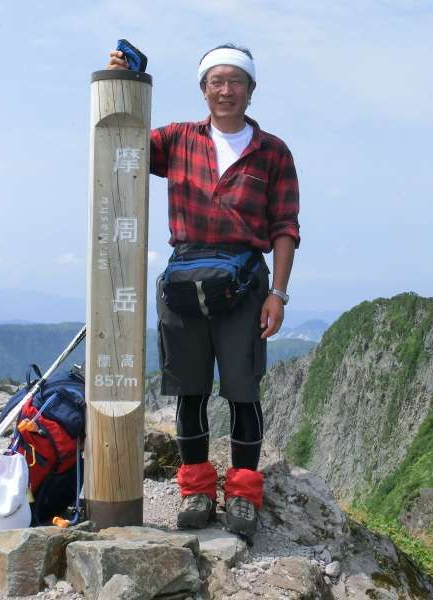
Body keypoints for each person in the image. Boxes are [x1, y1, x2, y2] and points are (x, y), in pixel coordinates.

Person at [106, 43, 300, 539]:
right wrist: (122, 83)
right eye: (217, 81)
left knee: (242, 390)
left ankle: (243, 493)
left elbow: (284, 226)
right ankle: (195, 490)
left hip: (246, 286)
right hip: (185, 279)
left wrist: (277, 292)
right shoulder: (176, 140)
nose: (226, 90)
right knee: (188, 390)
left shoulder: (272, 151)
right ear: (203, 89)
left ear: (251, 91)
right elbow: (120, 142)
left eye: (236, 81)